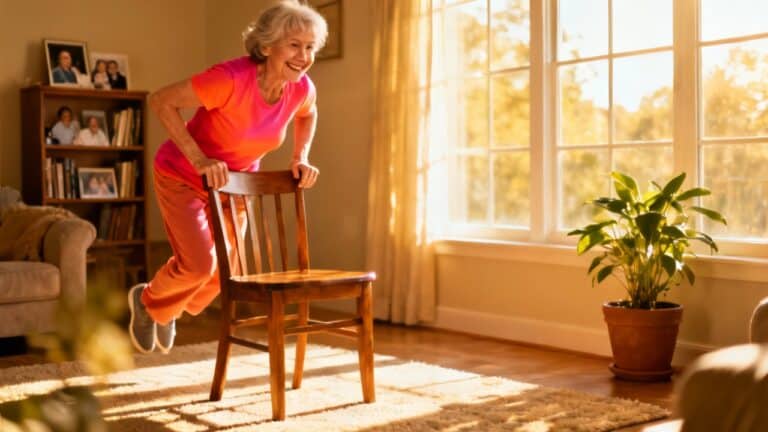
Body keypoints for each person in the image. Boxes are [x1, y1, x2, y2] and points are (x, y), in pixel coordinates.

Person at [127, 0, 327, 354]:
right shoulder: (229, 80)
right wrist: (200, 159)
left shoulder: (301, 88)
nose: (304, 55)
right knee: (199, 264)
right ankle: (147, 302)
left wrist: (301, 156)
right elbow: (161, 101)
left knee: (226, 273)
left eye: (310, 47)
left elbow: (308, 114)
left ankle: (164, 307)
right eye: (294, 45)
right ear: (267, 46)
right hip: (184, 174)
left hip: (234, 185)